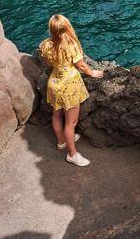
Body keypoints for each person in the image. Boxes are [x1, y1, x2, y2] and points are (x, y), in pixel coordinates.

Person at [39, 14, 103, 167]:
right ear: (67, 27)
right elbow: (81, 65)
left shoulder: (45, 45)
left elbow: (49, 63)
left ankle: (61, 141)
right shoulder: (71, 45)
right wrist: (92, 73)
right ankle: (72, 154)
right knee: (71, 123)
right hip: (69, 87)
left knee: (56, 114)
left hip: (54, 83)